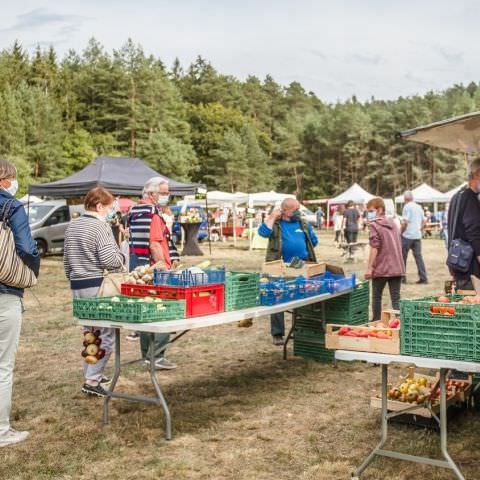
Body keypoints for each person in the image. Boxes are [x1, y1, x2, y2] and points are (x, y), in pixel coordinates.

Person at [64, 187, 125, 397]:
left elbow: (66, 260)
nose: (111, 211)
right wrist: (122, 258)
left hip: (77, 283)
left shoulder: (73, 226)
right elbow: (110, 260)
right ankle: (92, 380)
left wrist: (73, 276)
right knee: (106, 335)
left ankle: (92, 371)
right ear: (99, 206)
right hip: (97, 284)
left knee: (90, 333)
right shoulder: (100, 227)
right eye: (109, 207)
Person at [0, 158, 40, 447]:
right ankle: (2, 431)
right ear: (6, 179)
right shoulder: (11, 206)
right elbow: (26, 247)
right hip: (5, 292)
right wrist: (32, 268)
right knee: (3, 365)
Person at [126, 177, 177, 370]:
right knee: (162, 311)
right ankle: (157, 356)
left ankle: (147, 355)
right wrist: (163, 265)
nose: (167, 196)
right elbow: (155, 243)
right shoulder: (153, 214)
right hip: (154, 270)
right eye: (163, 193)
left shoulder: (134, 211)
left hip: (138, 269)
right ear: (150, 194)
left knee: (145, 312)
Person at [258, 198, 318, 345]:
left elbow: (314, 242)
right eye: (294, 209)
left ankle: (301, 330)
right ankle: (277, 334)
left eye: (298, 208)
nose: (298, 212)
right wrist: (272, 216)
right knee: (277, 298)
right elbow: (263, 232)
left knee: (305, 298)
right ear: (284, 211)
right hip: (281, 266)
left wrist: (309, 233)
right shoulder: (277, 224)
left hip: (301, 265)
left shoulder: (303, 223)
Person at [364, 198, 405, 320]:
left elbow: (374, 247)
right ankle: (400, 326)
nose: (369, 213)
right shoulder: (393, 223)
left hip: (381, 267)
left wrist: (369, 267)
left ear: (380, 209)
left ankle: (376, 322)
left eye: (371, 210)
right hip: (397, 266)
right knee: (396, 299)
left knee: (376, 297)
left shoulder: (374, 225)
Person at [448, 158, 480, 291]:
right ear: (477, 174)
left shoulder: (457, 196)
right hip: (471, 268)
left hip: (458, 263)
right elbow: (474, 233)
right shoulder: (470, 199)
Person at [401, 191, 428, 284]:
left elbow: (405, 222)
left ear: (405, 199)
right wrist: (419, 229)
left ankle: (402, 278)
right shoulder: (418, 207)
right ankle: (423, 278)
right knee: (419, 257)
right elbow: (424, 220)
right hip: (417, 236)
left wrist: (400, 232)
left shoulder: (407, 207)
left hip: (407, 236)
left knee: (402, 257)